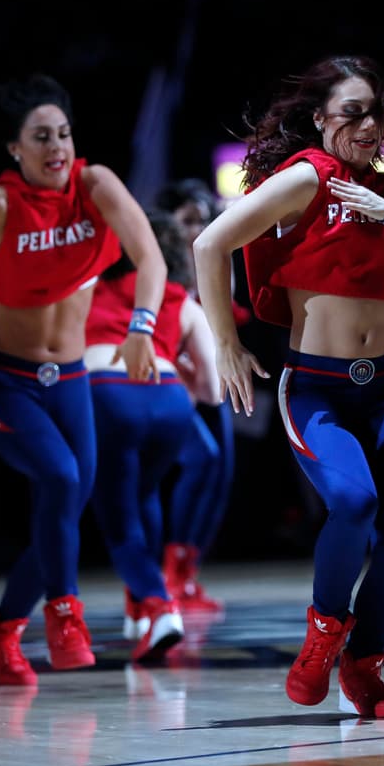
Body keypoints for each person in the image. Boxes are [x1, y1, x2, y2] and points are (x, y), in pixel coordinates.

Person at [192, 55, 384, 717]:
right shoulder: (308, 177)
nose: (368, 126)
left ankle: (364, 670)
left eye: (377, 113)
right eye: (352, 113)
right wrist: (226, 343)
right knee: (354, 501)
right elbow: (208, 245)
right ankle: (323, 631)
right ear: (319, 119)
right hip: (318, 388)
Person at [0, 73, 166, 685]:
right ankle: (63, 612)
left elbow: (151, 257)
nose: (57, 146)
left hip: (72, 377)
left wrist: (141, 328)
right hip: (6, 379)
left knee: (64, 506)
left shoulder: (96, 184)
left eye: (64, 134)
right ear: (15, 149)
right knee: (60, 478)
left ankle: (2, 630)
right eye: (41, 137)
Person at [84, 209, 220, 662]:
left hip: (108, 393)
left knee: (118, 522)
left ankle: (161, 608)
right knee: (143, 497)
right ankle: (140, 606)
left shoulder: (87, 288)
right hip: (169, 399)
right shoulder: (182, 301)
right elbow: (213, 392)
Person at [155, 179, 233, 611]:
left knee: (219, 470)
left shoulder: (215, 260)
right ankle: (168, 577)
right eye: (187, 221)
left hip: (213, 379)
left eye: (202, 220)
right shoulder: (156, 267)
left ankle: (186, 576)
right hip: (172, 382)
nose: (196, 230)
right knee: (201, 459)